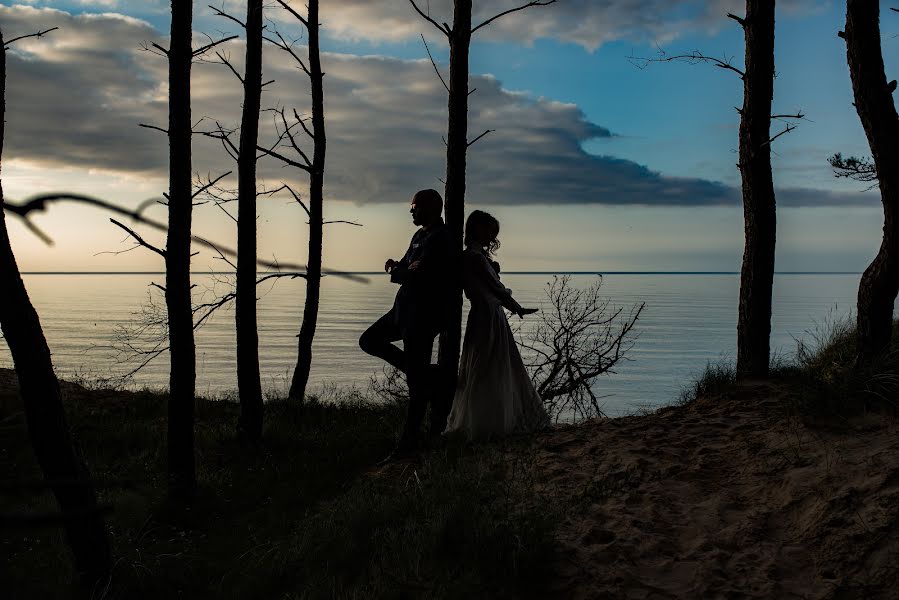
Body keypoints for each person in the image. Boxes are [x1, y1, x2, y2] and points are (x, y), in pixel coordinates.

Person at [359, 189, 453, 460]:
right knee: (369, 341)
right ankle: (430, 376)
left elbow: (417, 273)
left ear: (432, 207)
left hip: (422, 318)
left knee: (416, 386)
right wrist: (400, 267)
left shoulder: (441, 237)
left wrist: (400, 271)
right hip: (401, 311)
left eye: (414, 207)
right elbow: (406, 266)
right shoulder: (419, 235)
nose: (411, 211)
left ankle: (409, 443)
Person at [444, 210, 549, 440]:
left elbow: (490, 286)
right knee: (490, 366)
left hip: (485, 314)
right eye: (490, 231)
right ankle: (489, 422)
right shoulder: (474, 257)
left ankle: (486, 420)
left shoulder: (472, 256)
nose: (492, 237)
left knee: (486, 366)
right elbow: (497, 290)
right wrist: (516, 307)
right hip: (488, 316)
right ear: (477, 229)